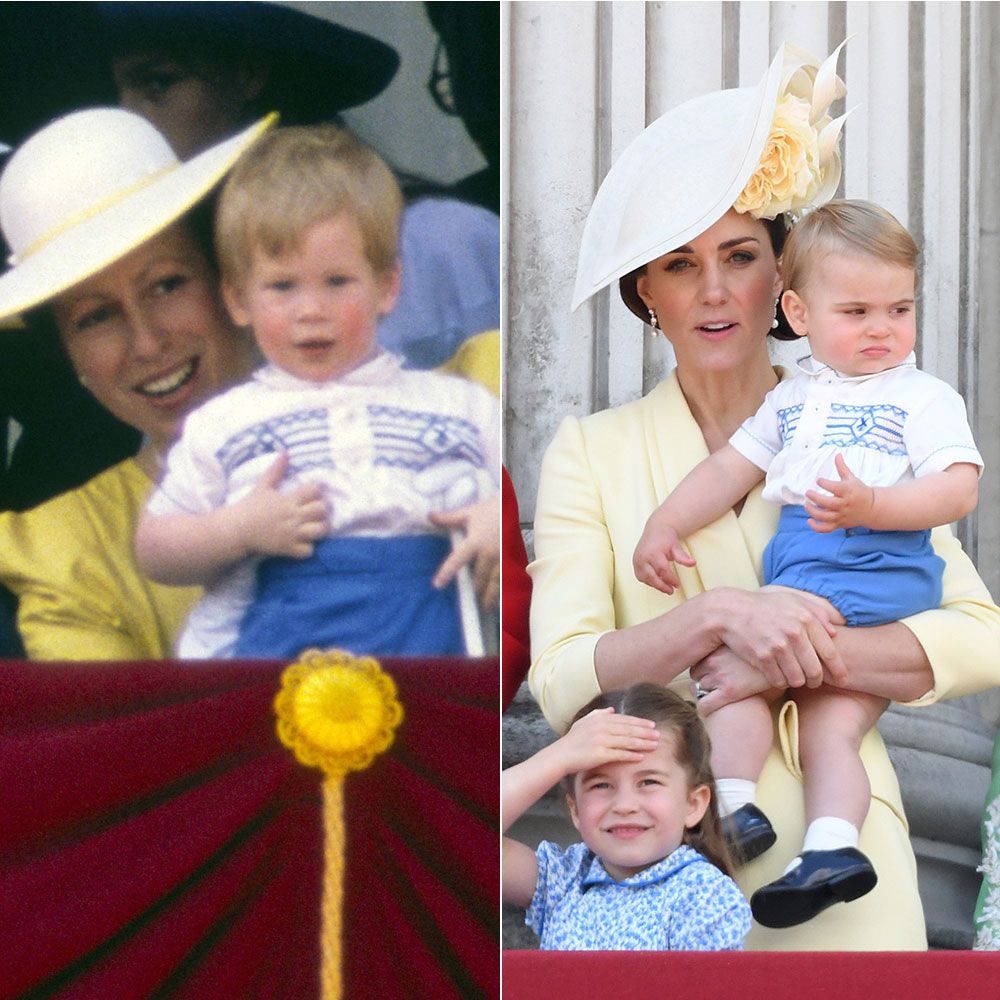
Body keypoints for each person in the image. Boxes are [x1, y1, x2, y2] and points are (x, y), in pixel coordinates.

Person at [527, 41, 1000, 950]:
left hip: (853, 870)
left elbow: (979, 638)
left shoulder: (875, 418)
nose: (713, 292)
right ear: (645, 296)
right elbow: (562, 680)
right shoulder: (592, 452)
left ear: (783, 286)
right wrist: (722, 620)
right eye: (677, 264)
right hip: (674, 889)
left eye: (739, 256)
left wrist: (785, 654)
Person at [632, 199, 982, 928]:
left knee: (731, 682)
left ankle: (729, 806)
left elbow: (960, 486)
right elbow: (731, 468)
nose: (882, 329)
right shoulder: (794, 400)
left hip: (869, 569)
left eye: (899, 308)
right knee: (827, 729)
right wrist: (665, 523)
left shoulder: (921, 397)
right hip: (808, 573)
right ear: (800, 310)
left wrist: (874, 507)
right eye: (856, 311)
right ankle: (827, 847)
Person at [134, 125, 500, 660]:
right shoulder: (224, 421)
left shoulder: (459, 407)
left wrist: (501, 517)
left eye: (337, 282)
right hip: (274, 672)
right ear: (238, 299)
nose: (311, 310)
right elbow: (155, 547)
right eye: (283, 286)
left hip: (433, 655)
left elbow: (551, 511)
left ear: (387, 287)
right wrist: (235, 530)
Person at [503, 682, 751, 950]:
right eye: (601, 785)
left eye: (648, 782)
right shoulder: (561, 880)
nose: (624, 805)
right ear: (575, 809)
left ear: (693, 804)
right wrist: (557, 757)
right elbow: (462, 828)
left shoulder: (704, 895)